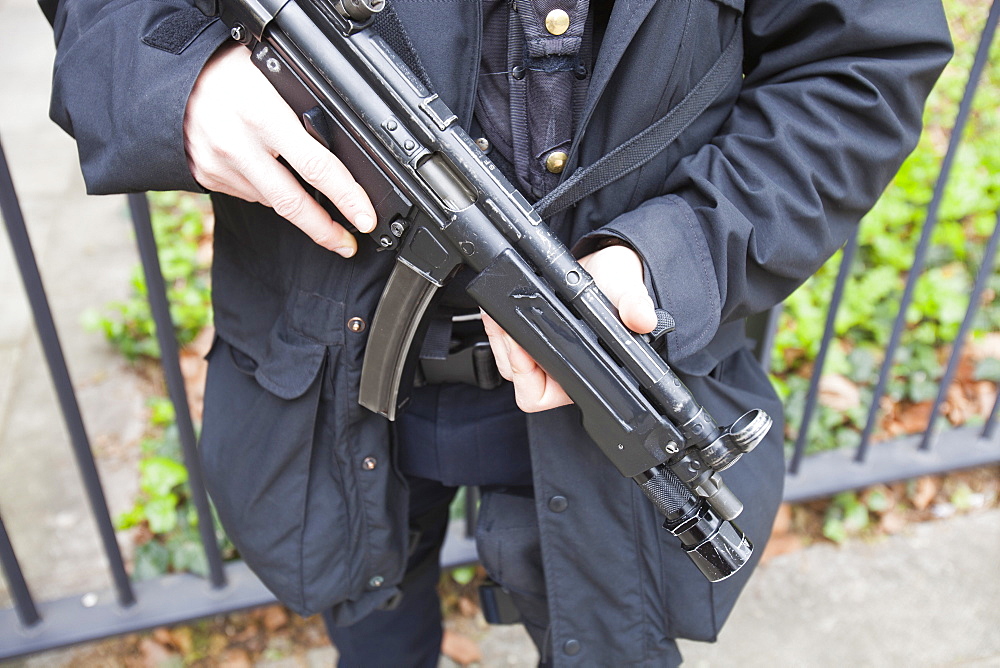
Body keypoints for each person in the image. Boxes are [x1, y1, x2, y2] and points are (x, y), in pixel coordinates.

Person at [41, 0, 951, 664]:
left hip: (617, 366)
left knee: (608, 638)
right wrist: (177, 79)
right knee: (375, 629)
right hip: (331, 373)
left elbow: (863, 63)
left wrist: (667, 260)